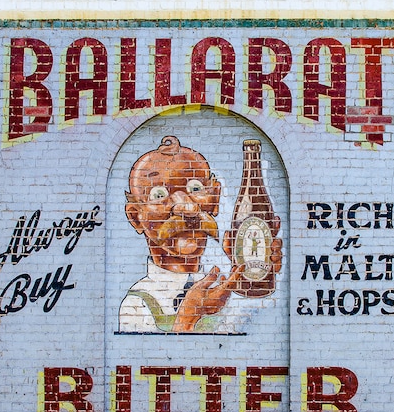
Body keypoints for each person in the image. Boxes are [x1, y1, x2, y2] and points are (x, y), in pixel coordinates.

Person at [118, 135, 280, 333]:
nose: (187, 208)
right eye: (159, 195)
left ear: (215, 198)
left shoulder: (220, 288)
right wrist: (188, 316)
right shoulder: (137, 305)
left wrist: (248, 269)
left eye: (196, 188)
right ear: (136, 217)